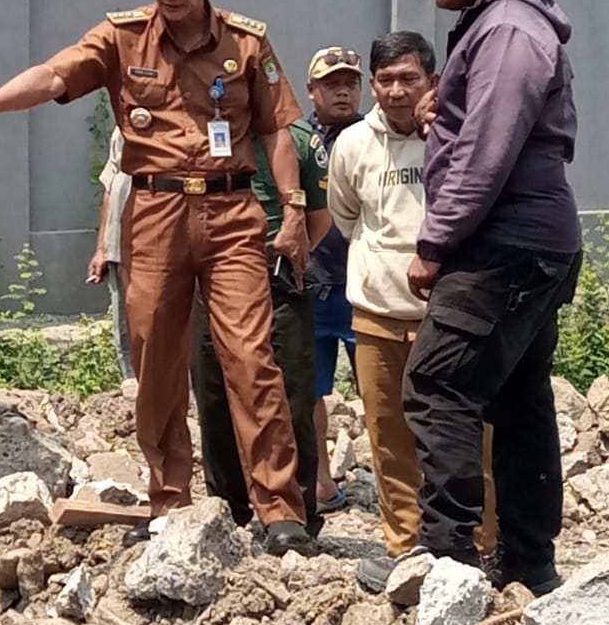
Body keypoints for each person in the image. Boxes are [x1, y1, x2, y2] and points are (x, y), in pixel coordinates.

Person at [0, 0, 315, 557]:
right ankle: (170, 501)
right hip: (155, 214)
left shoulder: (248, 43)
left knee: (251, 361)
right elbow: (55, 77)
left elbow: (278, 129)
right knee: (157, 364)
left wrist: (297, 209)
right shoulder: (121, 37)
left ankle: (279, 511)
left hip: (231, 218)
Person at [400, 0, 581, 597]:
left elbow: (486, 151)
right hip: (532, 244)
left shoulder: (507, 30)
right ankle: (530, 564)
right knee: (517, 394)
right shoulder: (505, 27)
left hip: (502, 246)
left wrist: (435, 242)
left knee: (439, 383)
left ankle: (449, 561)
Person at [327, 31, 497, 592]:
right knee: (389, 436)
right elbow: (348, 217)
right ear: (373, 85)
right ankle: (405, 547)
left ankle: (480, 547)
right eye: (386, 80)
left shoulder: (459, 136)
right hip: (377, 312)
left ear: (433, 81)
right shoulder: (352, 144)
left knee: (465, 434)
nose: (398, 91)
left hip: (447, 315)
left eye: (410, 79)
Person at [190, 114, 334, 539]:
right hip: (213, 281)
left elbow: (320, 218)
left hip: (278, 281)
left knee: (291, 396)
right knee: (214, 393)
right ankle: (228, 508)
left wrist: (285, 257)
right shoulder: (200, 130)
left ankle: (296, 513)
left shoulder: (301, 139)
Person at [299, 47, 363, 509]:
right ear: (312, 90)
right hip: (311, 284)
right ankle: (321, 481)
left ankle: (404, 486)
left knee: (387, 396)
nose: (342, 91)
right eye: (331, 84)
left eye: (350, 83)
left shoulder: (379, 136)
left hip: (368, 286)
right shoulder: (296, 140)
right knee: (308, 391)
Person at [87, 125, 134, 380]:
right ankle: (130, 382)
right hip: (118, 244)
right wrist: (101, 248)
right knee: (124, 322)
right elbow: (110, 186)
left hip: (161, 245)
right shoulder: (123, 127)